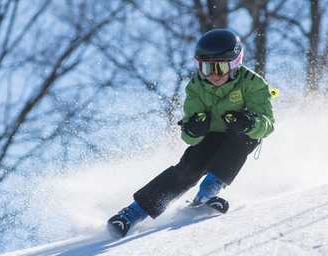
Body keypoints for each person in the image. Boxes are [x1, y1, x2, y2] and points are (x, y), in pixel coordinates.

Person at [107, 29, 275, 238]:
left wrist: (249, 122)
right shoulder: (196, 86)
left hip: (240, 133)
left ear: (234, 65)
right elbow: (189, 136)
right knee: (189, 167)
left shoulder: (253, 82)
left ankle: (208, 191)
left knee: (244, 137)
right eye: (205, 68)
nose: (212, 75)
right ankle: (133, 213)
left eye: (220, 68)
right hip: (211, 136)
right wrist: (194, 129)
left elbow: (267, 124)